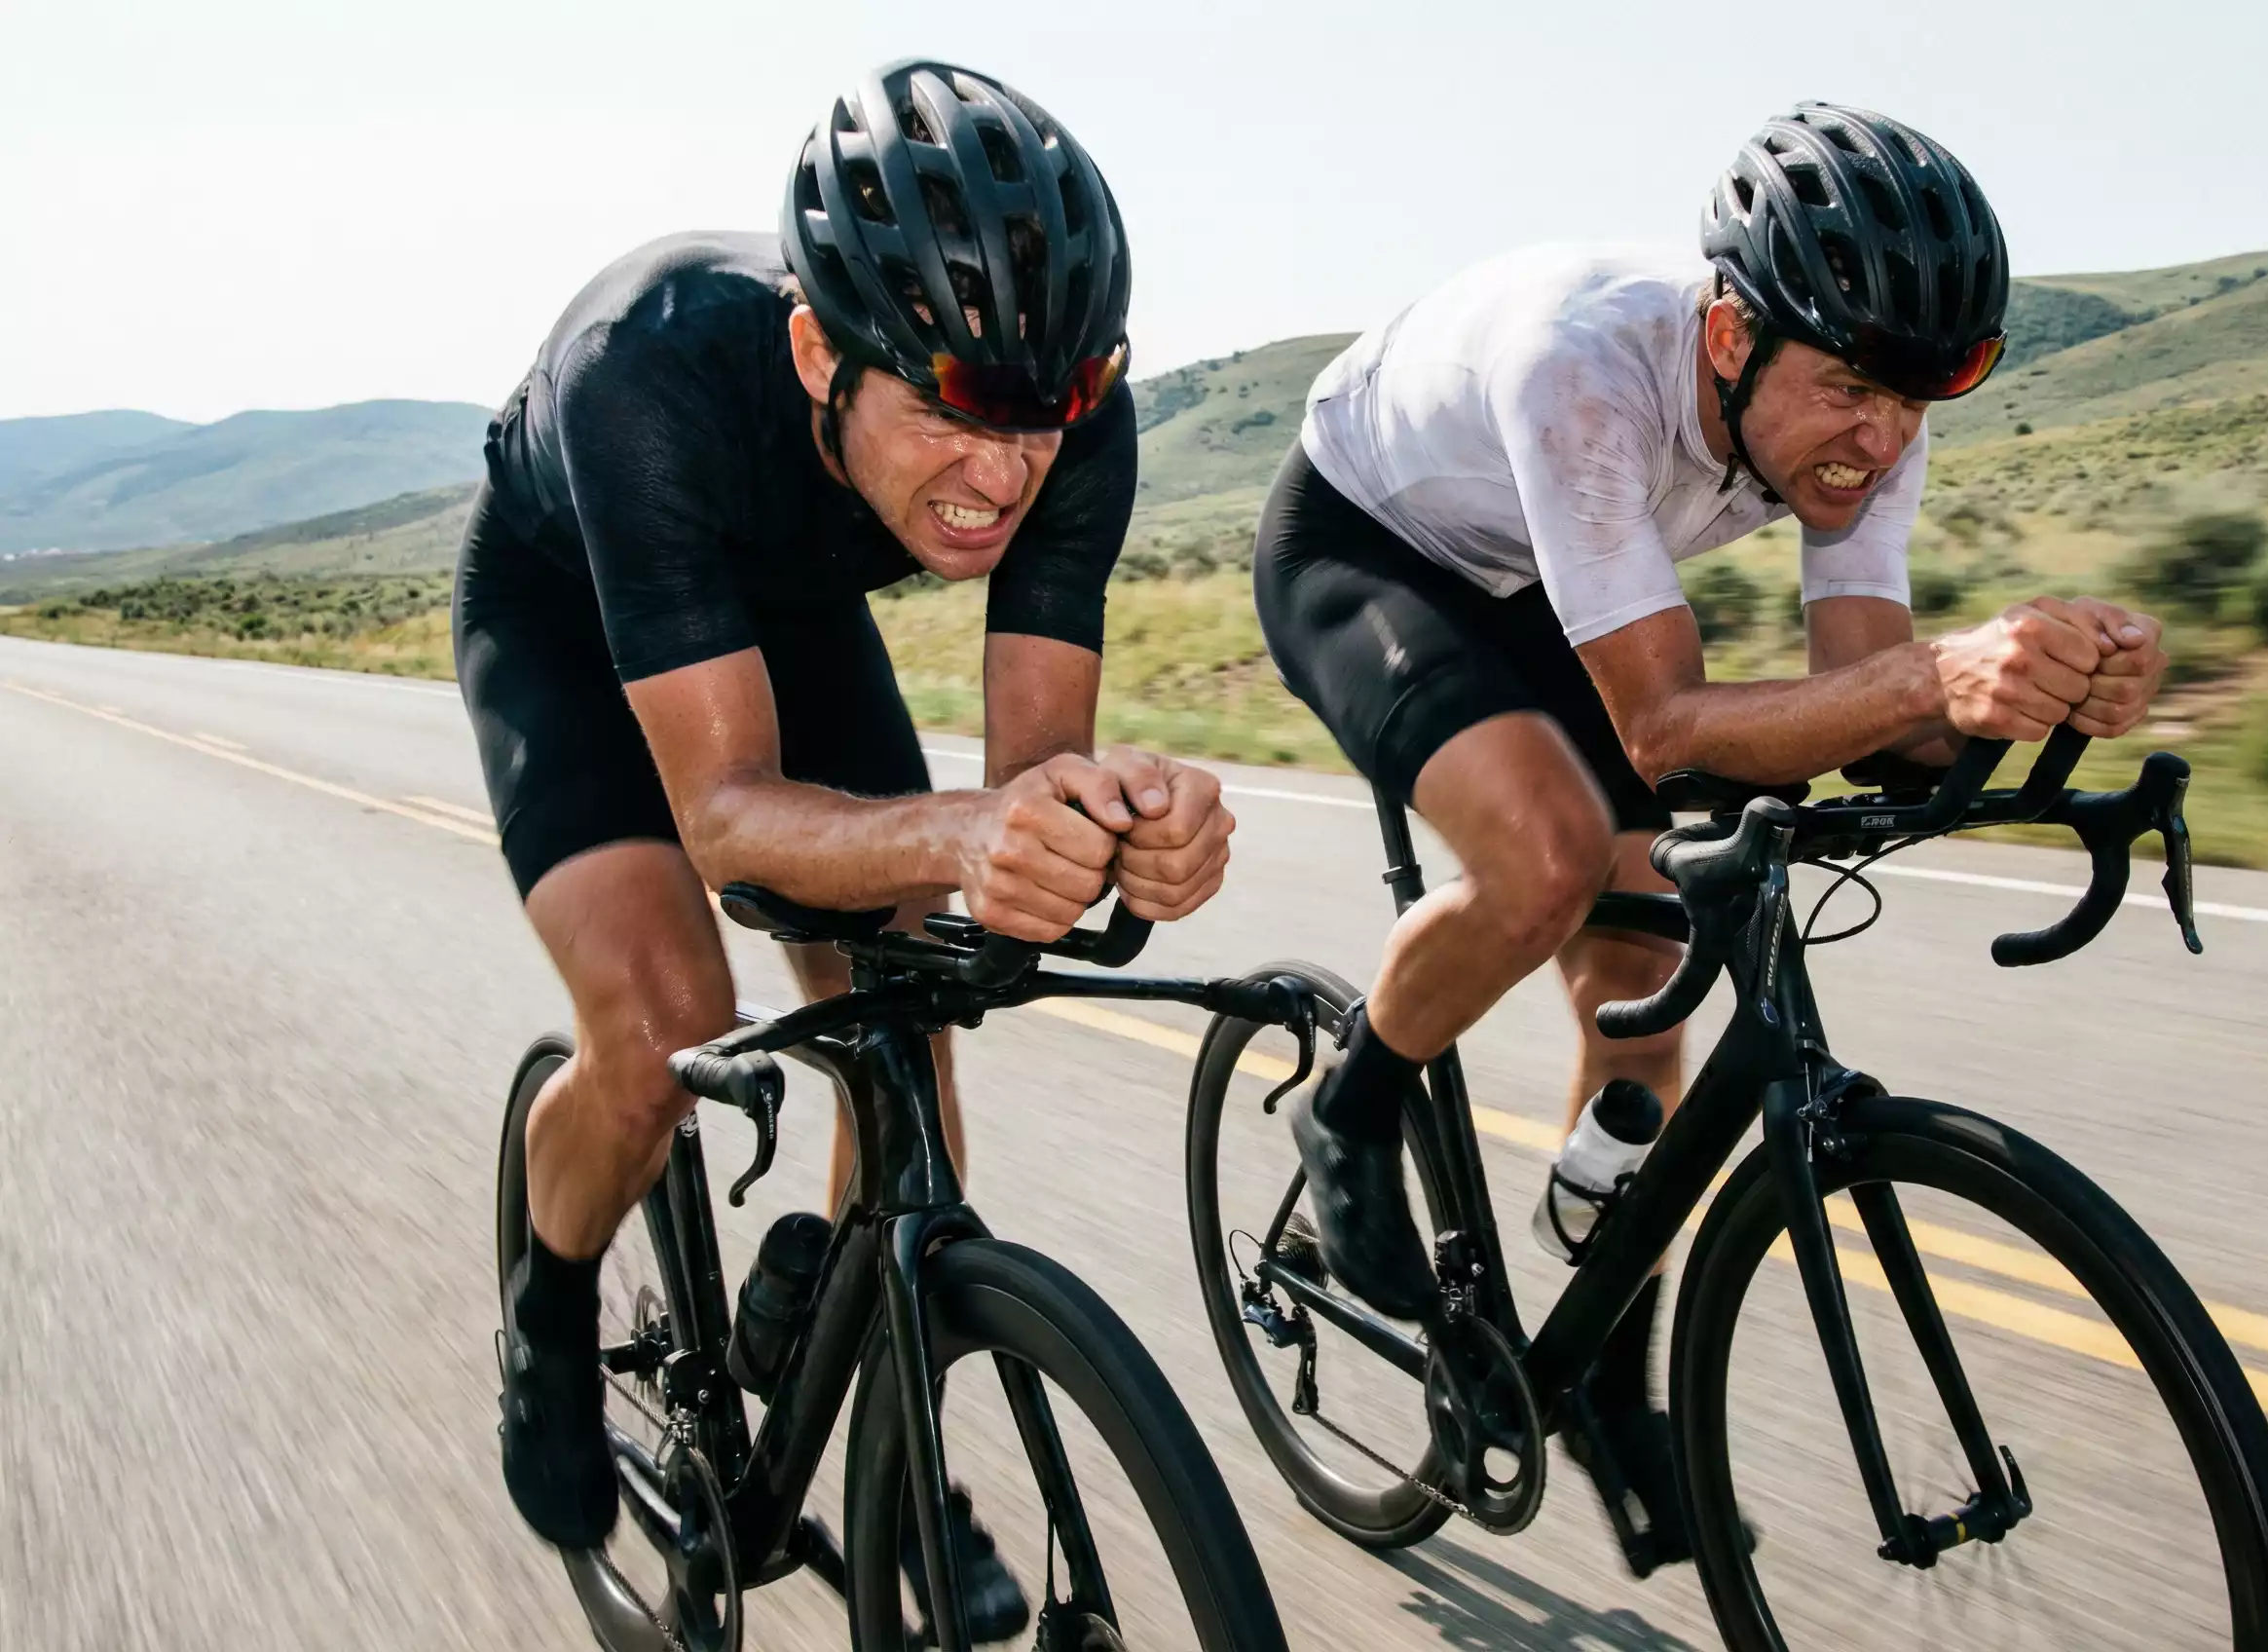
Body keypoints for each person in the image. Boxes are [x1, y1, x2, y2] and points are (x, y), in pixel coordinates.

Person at [1253, 102, 2166, 1560]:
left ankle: (1608, 1355)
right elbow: (1669, 726)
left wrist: (2043, 683)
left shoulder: (1868, 423)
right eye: (1854, 389)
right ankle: (1349, 1111)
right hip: (1369, 548)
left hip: (1551, 571)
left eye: (1920, 401)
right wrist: (1933, 680)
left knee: (1655, 955)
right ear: (1733, 335)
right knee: (1553, 860)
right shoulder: (1586, 369)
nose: (1881, 440)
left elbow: (1864, 688)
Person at [456, 58, 1237, 1611]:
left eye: (1049, 414)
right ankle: (548, 1308)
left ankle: (874, 1415)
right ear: (820, 346)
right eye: (953, 407)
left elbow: (1034, 795)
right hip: (567, 609)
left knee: (911, 1015)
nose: (1007, 470)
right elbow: (729, 821)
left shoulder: (1075, 417)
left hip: (791, 613)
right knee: (668, 1020)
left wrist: (1126, 834)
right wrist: (964, 831)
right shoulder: (651, 369)